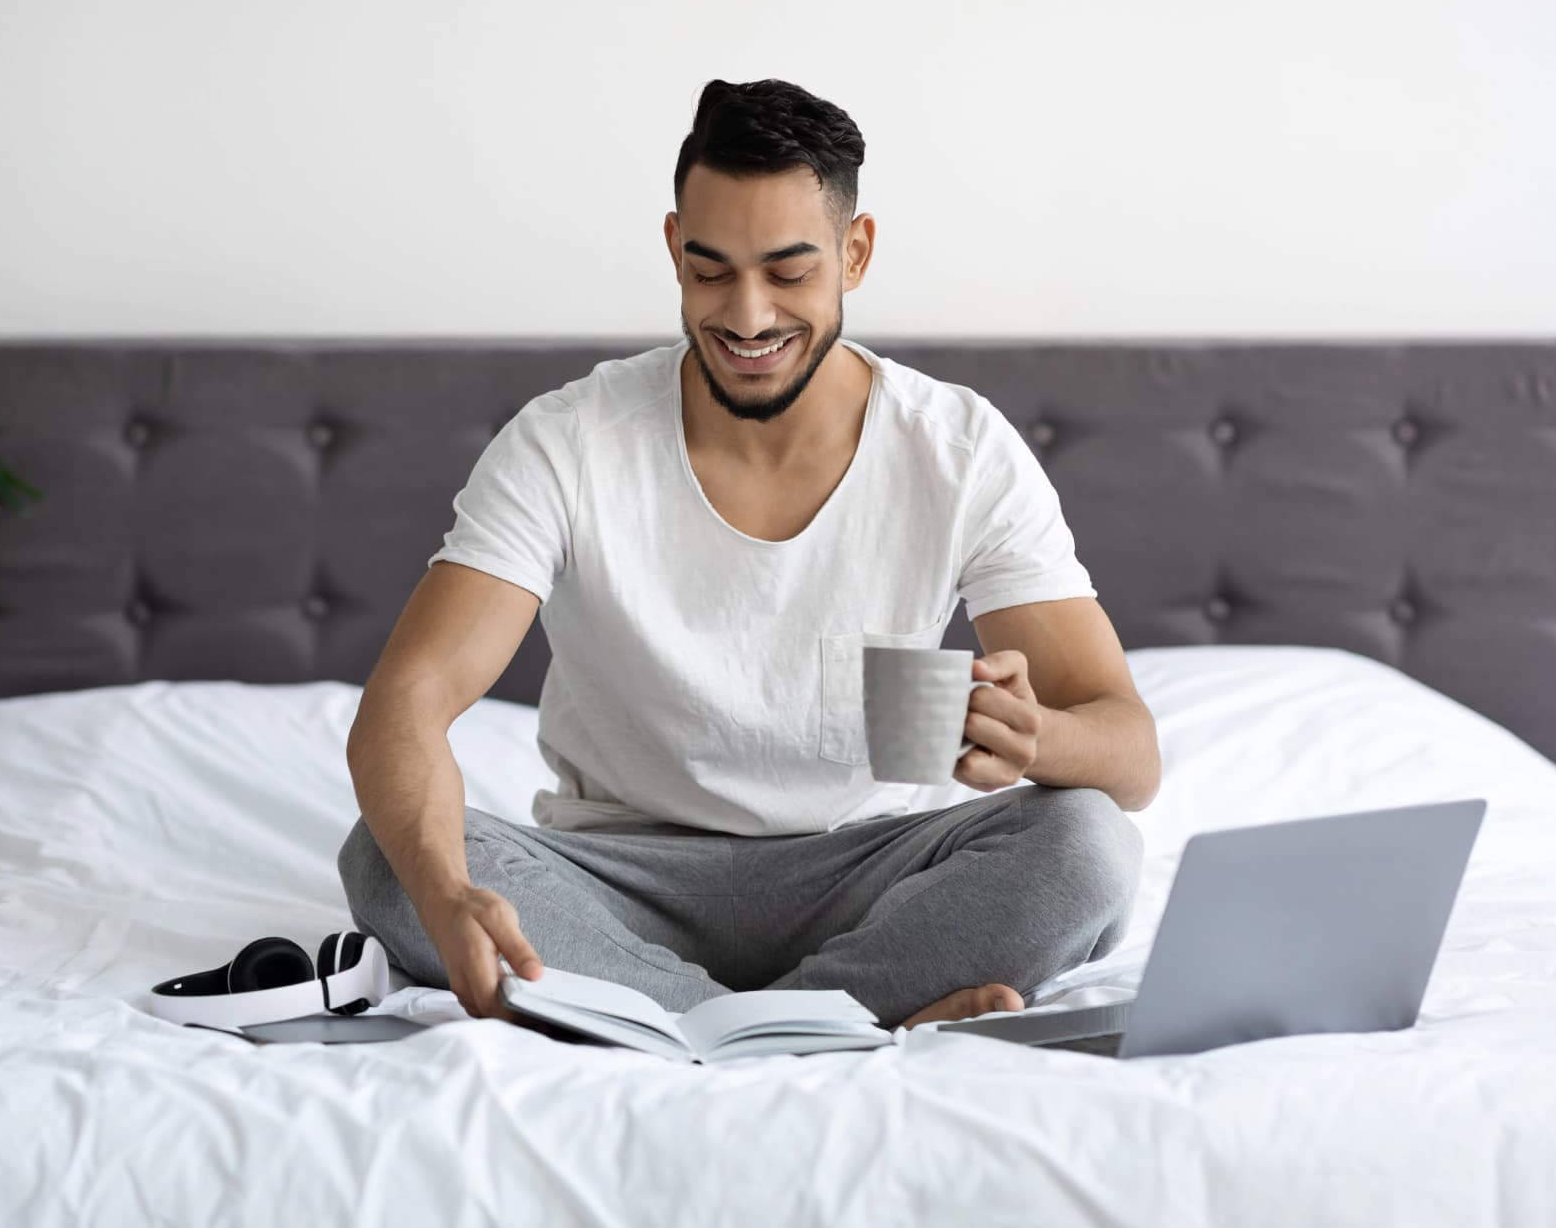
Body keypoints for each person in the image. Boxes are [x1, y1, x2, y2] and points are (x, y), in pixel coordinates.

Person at [337, 78, 1159, 1031]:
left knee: (1088, 845)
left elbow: (1130, 753)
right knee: (390, 862)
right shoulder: (566, 441)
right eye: (711, 269)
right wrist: (445, 891)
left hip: (871, 868)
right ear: (674, 247)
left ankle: (687, 1024)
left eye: (789, 270)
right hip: (625, 873)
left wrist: (1037, 737)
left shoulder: (959, 447)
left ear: (855, 253)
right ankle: (822, 1023)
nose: (749, 316)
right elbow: (406, 702)